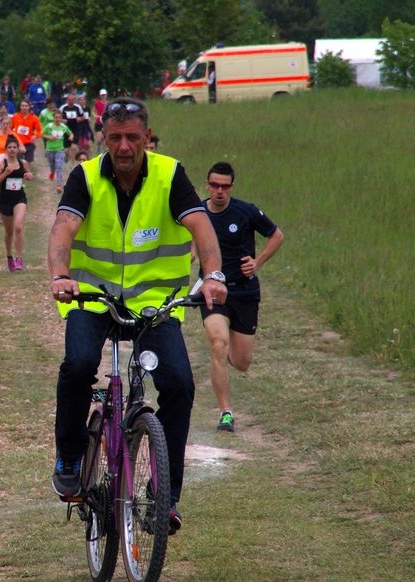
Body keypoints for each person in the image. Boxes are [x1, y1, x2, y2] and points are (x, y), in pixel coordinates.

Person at [47, 98, 226, 535]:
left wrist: (214, 274)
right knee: (78, 367)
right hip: (92, 299)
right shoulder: (85, 177)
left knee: (179, 385)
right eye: (115, 138)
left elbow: (201, 227)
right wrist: (60, 276)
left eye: (132, 137)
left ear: (147, 136)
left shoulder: (170, 175)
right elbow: (63, 230)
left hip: (153, 305)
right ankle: (70, 456)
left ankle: (165, 493)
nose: (124, 146)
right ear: (102, 138)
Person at [194, 161, 284, 433]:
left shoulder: (245, 211)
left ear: (231, 187)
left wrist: (258, 262)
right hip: (213, 290)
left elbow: (276, 235)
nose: (219, 191)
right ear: (207, 185)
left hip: (244, 291)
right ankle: (226, 413)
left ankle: (229, 355)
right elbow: (184, 233)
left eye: (225, 186)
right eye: (214, 185)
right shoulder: (197, 212)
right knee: (218, 344)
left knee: (242, 362)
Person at [0, 135, 34, 272]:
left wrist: (29, 176)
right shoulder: (1, 165)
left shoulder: (23, 163)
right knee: (9, 232)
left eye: (14, 147)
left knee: (19, 227)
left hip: (19, 198)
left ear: (18, 150)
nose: (12, 150)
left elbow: (29, 175)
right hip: (5, 201)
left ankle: (19, 258)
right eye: (9, 147)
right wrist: (5, 173)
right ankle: (9, 256)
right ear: (5, 150)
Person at [41, 109, 73, 193]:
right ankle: (52, 172)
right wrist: (49, 137)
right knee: (53, 165)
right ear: (53, 118)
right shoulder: (49, 126)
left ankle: (59, 185)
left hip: (59, 149)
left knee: (59, 167)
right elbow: (42, 134)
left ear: (61, 118)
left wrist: (71, 137)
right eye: (56, 117)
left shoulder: (63, 127)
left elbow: (70, 133)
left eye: (59, 117)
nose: (58, 119)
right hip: (50, 149)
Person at [11, 99, 43, 169]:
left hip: (29, 144)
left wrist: (35, 136)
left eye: (26, 106)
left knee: (28, 162)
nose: (24, 107)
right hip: (18, 143)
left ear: (29, 107)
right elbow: (10, 128)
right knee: (18, 161)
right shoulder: (15, 117)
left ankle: (26, 174)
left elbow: (39, 130)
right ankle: (19, 174)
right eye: (22, 106)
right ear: (20, 107)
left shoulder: (34, 118)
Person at [58, 93, 85, 164]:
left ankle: (72, 163)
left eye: (73, 100)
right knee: (66, 150)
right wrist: (62, 120)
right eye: (70, 100)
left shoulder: (78, 107)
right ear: (67, 100)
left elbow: (83, 116)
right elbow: (56, 116)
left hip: (75, 129)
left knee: (74, 147)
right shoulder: (63, 108)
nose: (71, 101)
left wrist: (80, 118)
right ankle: (66, 156)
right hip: (65, 130)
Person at [93, 89, 108, 153]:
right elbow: (93, 111)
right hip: (98, 123)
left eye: (104, 95)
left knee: (105, 140)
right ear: (100, 96)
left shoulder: (108, 103)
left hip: (106, 123)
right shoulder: (97, 103)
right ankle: (98, 146)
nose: (103, 96)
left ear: (106, 95)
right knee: (99, 139)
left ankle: (103, 153)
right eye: (102, 95)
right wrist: (95, 116)